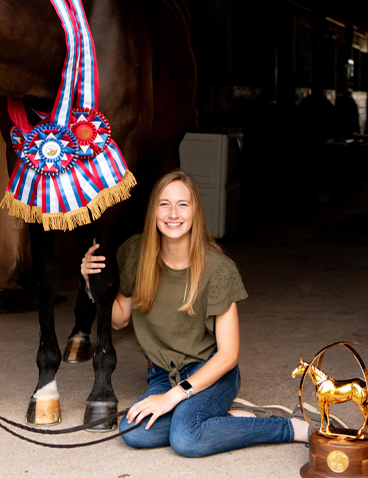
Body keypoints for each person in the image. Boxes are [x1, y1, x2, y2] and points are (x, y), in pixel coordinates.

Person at [80, 170, 309, 457]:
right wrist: (91, 282)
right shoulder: (136, 253)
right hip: (163, 373)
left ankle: (287, 428)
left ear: (195, 211)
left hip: (212, 372)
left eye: (182, 204)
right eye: (164, 204)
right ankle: (222, 422)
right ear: (153, 211)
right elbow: (119, 319)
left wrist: (171, 399)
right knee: (133, 430)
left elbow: (228, 355)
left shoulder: (218, 269)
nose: (173, 213)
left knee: (186, 438)